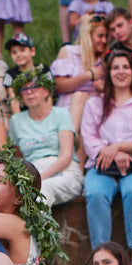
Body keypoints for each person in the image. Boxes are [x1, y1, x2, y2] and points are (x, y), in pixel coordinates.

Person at [81, 50, 132, 265]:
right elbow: (89, 138)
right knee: (96, 193)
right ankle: (102, 258)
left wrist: (120, 148)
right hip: (102, 166)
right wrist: (113, 153)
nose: (121, 72)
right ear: (108, 73)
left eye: (125, 67)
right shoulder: (95, 104)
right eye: (115, 68)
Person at [9, 70, 83, 205]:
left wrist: (38, 179)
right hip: (34, 170)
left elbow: (66, 156)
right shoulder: (16, 120)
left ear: (46, 91)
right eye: (24, 89)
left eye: (34, 87)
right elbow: (18, 158)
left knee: (42, 190)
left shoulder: (61, 114)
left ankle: (34, 227)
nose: (29, 92)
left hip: (64, 171)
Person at [51, 14, 108, 135]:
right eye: (100, 36)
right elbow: (58, 86)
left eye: (106, 36)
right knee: (79, 96)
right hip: (69, 108)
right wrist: (86, 76)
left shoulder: (105, 60)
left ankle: (71, 140)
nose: (104, 40)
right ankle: (70, 138)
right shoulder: (68, 52)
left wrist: (103, 87)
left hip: (95, 110)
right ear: (88, 36)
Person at [1, 32, 51, 115]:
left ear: (32, 51)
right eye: (14, 52)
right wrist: (18, 122)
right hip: (23, 114)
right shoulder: (10, 74)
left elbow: (48, 96)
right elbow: (14, 100)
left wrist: (47, 117)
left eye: (22, 50)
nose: (18, 55)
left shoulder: (44, 70)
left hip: (43, 111)